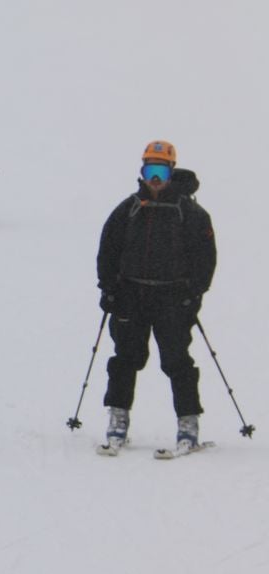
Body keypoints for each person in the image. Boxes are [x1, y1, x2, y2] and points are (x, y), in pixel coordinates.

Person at [96, 140, 217, 454]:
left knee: (177, 360)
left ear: (171, 171)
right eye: (150, 169)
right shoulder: (129, 208)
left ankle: (188, 424)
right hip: (131, 296)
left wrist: (193, 294)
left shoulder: (189, 212)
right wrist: (108, 289)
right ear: (142, 171)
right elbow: (108, 250)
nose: (155, 178)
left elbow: (206, 258)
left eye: (161, 170)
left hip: (172, 298)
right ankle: (118, 419)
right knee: (125, 358)